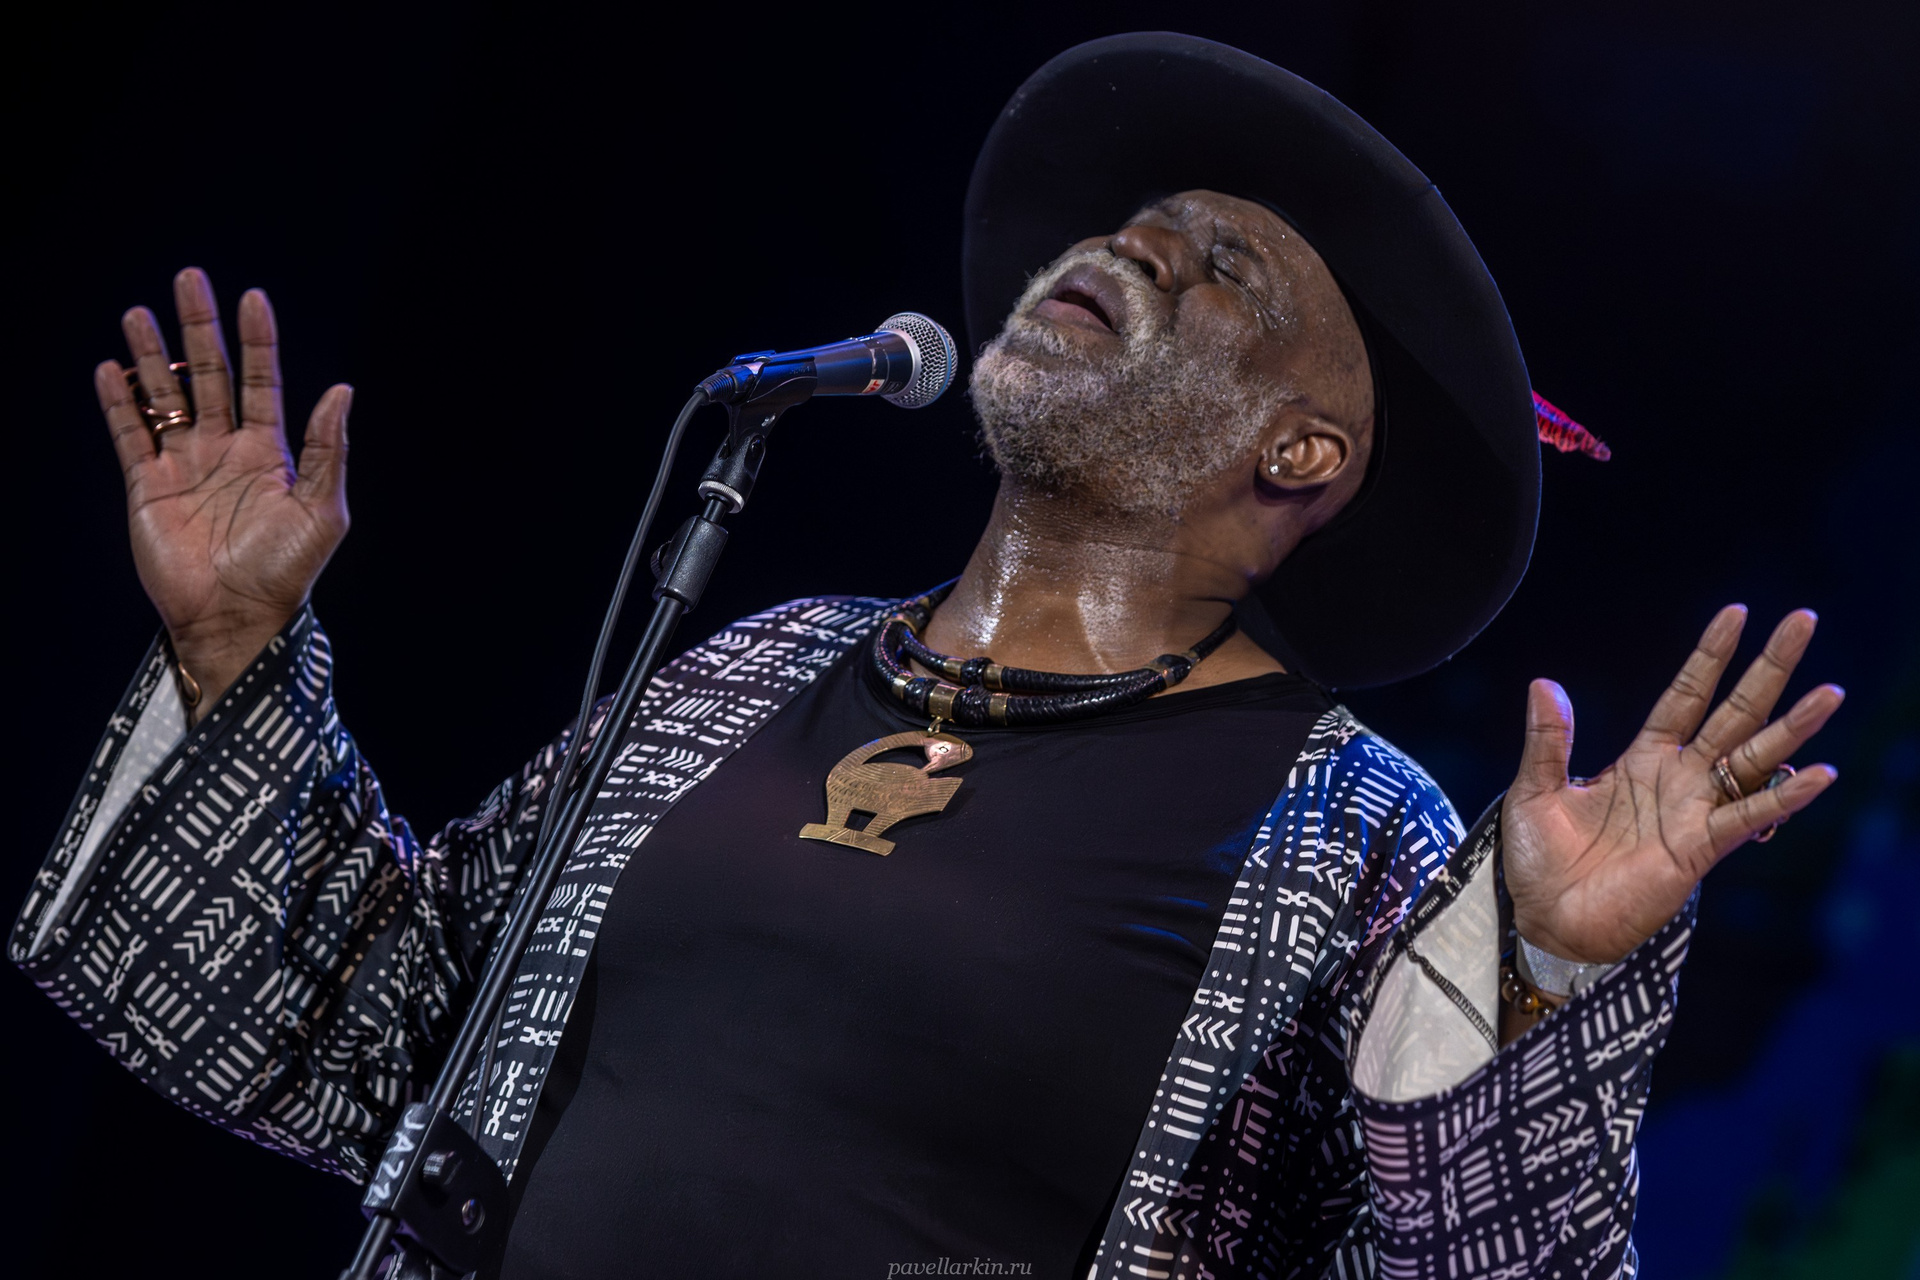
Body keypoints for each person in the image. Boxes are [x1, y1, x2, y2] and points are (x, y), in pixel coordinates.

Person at [12, 33, 1842, 1280]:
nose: (1129, 249)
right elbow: (370, 1031)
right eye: (1128, 229)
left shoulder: (1343, 831)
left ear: (1303, 453)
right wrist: (237, 644)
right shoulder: (750, 674)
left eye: (1218, 270)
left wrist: (1537, 979)